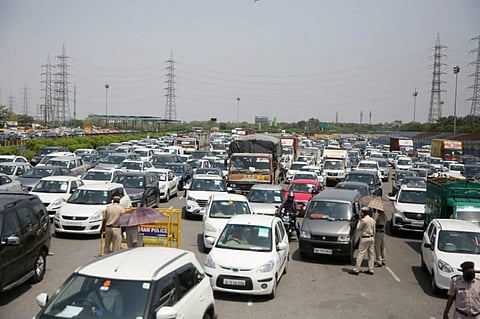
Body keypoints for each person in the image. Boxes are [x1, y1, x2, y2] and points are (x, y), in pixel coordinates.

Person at [349, 207, 376, 275]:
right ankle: (371, 269)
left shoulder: (364, 220)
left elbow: (358, 228)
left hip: (365, 238)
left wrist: (359, 220)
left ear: (363, 213)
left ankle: (356, 269)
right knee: (371, 254)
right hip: (371, 238)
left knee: (361, 253)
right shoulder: (372, 220)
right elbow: (374, 230)